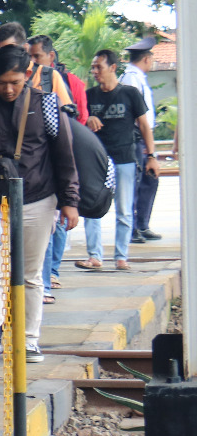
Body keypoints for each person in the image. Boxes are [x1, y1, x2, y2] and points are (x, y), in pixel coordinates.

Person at [0, 44, 80, 368]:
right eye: (2, 81)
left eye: (15, 82)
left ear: (28, 75)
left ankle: (28, 339)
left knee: (30, 275)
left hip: (38, 199)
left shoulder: (47, 105)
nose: (8, 89)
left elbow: (65, 155)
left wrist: (70, 201)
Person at [80, 49, 156, 271]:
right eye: (93, 67)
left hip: (124, 158)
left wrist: (151, 156)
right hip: (97, 162)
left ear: (113, 67)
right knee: (92, 208)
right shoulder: (89, 95)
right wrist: (88, 118)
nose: (95, 71)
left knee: (123, 209)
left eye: (99, 67)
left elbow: (144, 126)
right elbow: (78, 121)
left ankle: (121, 256)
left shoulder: (130, 93)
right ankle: (94, 256)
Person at [121, 37, 163, 242]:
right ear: (146, 59)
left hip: (144, 138)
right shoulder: (131, 78)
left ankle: (142, 224)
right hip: (136, 137)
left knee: (150, 179)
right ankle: (132, 229)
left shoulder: (138, 77)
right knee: (136, 183)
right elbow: (138, 116)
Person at [0, 22, 76, 118]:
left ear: (25, 48)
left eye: (10, 49)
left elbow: (66, 117)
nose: (5, 56)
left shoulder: (49, 76)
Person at [29, 35, 89, 120]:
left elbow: (81, 116)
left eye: (37, 56)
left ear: (51, 56)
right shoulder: (23, 78)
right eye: (29, 57)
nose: (32, 61)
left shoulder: (71, 81)